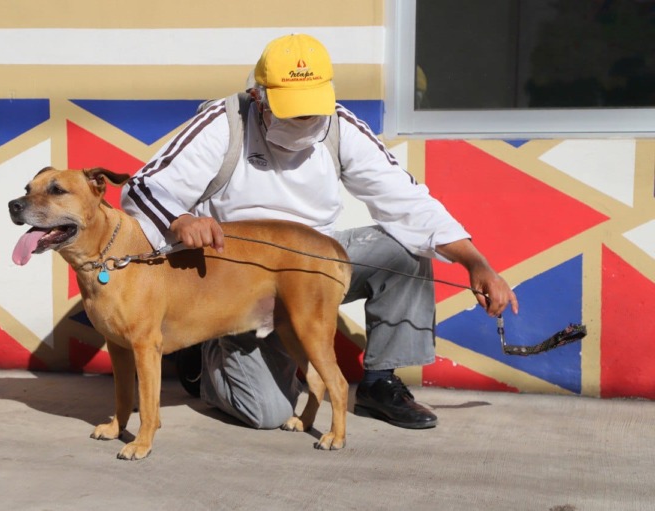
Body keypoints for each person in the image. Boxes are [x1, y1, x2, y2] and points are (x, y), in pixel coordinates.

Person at [121, 33, 518, 431]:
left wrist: (475, 262)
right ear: (258, 96)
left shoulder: (341, 127)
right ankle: (205, 358)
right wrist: (181, 220)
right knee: (268, 414)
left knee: (405, 250)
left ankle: (381, 383)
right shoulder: (223, 124)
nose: (304, 122)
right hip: (237, 280)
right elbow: (143, 188)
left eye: (312, 109)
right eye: (292, 111)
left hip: (311, 266)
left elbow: (410, 202)